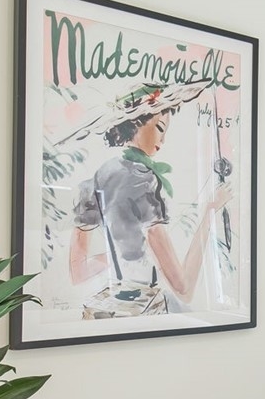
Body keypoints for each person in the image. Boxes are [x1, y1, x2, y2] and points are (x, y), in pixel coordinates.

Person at [67, 81, 232, 315]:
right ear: (136, 123)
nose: (162, 142)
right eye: (160, 128)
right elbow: (183, 288)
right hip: (148, 311)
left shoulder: (92, 181)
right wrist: (211, 211)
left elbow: (78, 272)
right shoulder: (142, 180)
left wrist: (120, 256)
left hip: (114, 308)